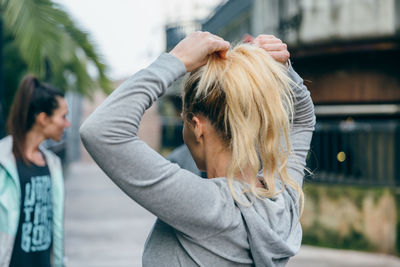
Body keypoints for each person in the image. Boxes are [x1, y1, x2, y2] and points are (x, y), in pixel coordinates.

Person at [80, 32, 315, 266]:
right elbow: (303, 118)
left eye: (183, 119)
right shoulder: (283, 199)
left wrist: (176, 60)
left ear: (196, 125)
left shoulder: (203, 205)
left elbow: (101, 131)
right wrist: (283, 69)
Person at [0, 75, 69, 267]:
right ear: (43, 119)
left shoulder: (53, 164)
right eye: (63, 116)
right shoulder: (3, 161)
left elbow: (56, 229)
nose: (67, 124)